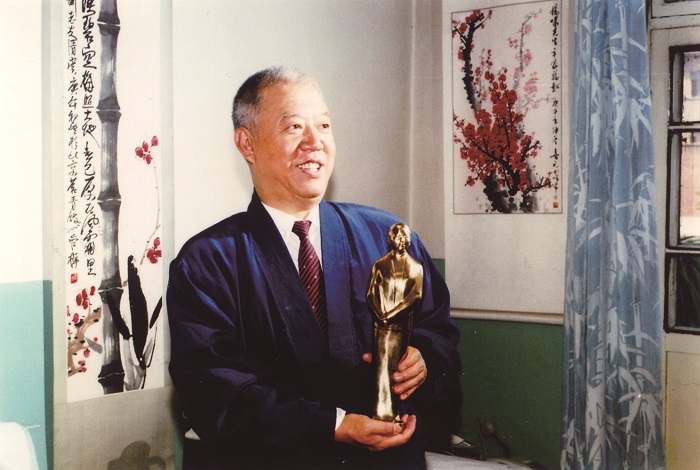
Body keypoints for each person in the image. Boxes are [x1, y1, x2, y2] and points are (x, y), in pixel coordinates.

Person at [167, 66, 461, 469]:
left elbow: (439, 331)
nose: (315, 142)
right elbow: (215, 389)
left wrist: (423, 361)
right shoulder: (208, 260)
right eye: (294, 127)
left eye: (323, 125)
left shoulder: (388, 237)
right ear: (247, 143)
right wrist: (333, 425)